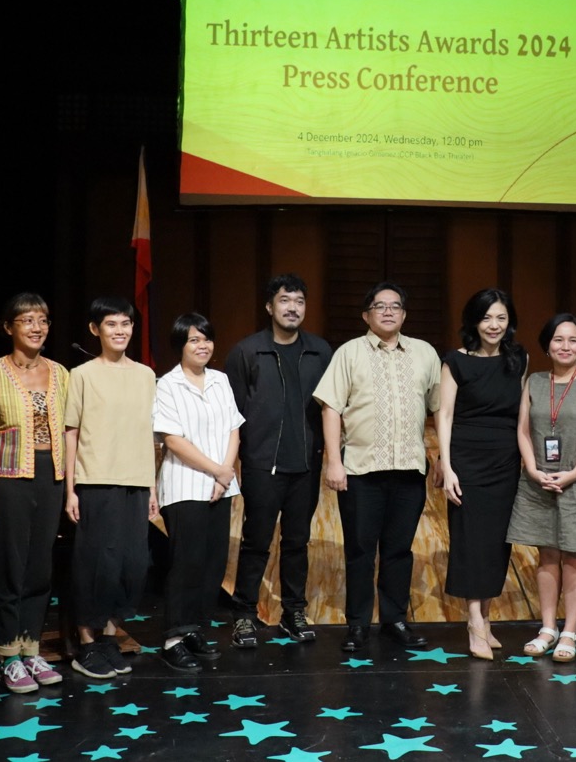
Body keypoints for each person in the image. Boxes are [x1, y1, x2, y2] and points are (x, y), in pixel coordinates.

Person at [314, 281, 441, 652]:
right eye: (379, 306)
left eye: (395, 306)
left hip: (408, 471)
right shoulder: (349, 353)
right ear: (366, 315)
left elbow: (439, 409)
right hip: (360, 471)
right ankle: (357, 624)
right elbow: (331, 407)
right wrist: (334, 462)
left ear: (404, 314)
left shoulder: (425, 353)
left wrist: (441, 459)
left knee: (400, 550)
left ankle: (394, 619)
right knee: (359, 550)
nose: (388, 311)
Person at [225, 274, 332, 648]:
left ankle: (293, 612)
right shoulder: (247, 351)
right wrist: (236, 462)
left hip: (305, 464)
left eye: (300, 301)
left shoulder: (320, 351)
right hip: (261, 463)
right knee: (256, 541)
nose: (293, 308)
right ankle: (242, 614)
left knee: (297, 542)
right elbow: (233, 413)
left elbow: (332, 409)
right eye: (285, 300)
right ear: (270, 307)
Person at [506, 313, 576, 663]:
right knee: (547, 554)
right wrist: (533, 468)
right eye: (558, 340)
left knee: (574, 555)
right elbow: (522, 430)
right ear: (547, 345)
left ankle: (570, 630)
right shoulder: (534, 382)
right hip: (539, 481)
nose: (565, 346)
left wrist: (573, 473)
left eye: (572, 340)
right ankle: (547, 628)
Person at [64, 296, 158, 678]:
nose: (120, 331)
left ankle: (107, 635)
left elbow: (151, 436)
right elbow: (71, 433)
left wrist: (152, 488)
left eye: (126, 324)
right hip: (95, 480)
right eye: (111, 324)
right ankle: (86, 642)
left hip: (136, 481)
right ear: (95, 329)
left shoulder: (146, 375)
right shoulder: (82, 374)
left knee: (132, 564)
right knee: (95, 564)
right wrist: (70, 489)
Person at [435, 288, 527, 660]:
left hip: (505, 459)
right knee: (471, 540)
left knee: (497, 543)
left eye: (501, 318)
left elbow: (522, 415)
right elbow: (444, 415)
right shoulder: (455, 361)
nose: (494, 325)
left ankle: (487, 618)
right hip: (467, 460)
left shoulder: (518, 358)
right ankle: (474, 620)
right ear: (475, 321)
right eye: (487, 317)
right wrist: (447, 464)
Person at [0, 293, 69, 694]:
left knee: (40, 567)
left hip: (50, 476)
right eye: (27, 320)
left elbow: (71, 432)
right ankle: (8, 654)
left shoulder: (60, 373)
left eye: (43, 319)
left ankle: (32, 646)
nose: (37, 327)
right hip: (7, 478)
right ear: (8, 327)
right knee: (10, 566)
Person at [154, 313, 243, 672]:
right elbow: (173, 440)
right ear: (180, 345)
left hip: (221, 487)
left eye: (206, 338)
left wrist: (224, 475)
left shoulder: (221, 380)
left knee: (213, 564)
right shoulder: (168, 384)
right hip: (185, 485)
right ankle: (173, 637)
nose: (202, 345)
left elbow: (234, 428)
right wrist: (217, 469)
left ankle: (195, 630)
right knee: (186, 563)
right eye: (194, 340)